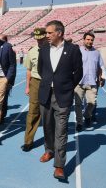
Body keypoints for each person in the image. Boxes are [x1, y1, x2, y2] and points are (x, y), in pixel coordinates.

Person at [38, 20, 83, 180]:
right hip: (45, 94)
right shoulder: (43, 49)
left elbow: (78, 72)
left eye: (50, 33)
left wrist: (67, 87)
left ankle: (59, 166)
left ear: (59, 33)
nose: (47, 35)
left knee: (61, 131)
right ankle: (49, 150)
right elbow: (40, 69)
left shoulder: (73, 50)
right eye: (46, 33)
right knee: (47, 127)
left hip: (63, 96)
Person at [21, 27, 47, 152]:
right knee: (33, 112)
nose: (39, 41)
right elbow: (29, 71)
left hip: (49, 82)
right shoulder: (32, 52)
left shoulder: (52, 50)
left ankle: (50, 143)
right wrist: (27, 86)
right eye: (37, 39)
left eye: (41, 39)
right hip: (36, 82)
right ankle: (28, 141)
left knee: (48, 113)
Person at [74, 31, 105, 131]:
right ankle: (79, 122)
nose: (90, 41)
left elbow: (100, 67)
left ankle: (87, 115)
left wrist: (102, 78)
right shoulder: (77, 51)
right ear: (83, 40)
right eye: (88, 39)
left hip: (92, 82)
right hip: (79, 83)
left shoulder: (97, 53)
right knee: (78, 104)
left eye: (91, 40)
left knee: (92, 103)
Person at [0, 34, 16, 124]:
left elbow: (13, 67)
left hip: (6, 79)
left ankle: (2, 116)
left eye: (1, 40)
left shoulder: (10, 51)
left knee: (3, 99)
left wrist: (10, 82)